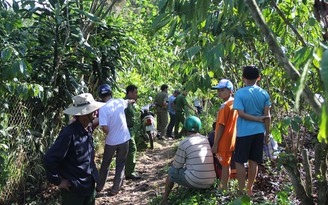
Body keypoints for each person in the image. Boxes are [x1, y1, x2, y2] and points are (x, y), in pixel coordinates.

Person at [43, 93, 105, 205]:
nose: (96, 112)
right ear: (83, 113)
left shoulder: (88, 128)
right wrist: (58, 181)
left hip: (89, 184)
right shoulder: (69, 133)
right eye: (92, 110)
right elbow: (49, 158)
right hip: (74, 189)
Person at [233, 65, 271, 196]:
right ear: (258, 78)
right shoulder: (264, 93)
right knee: (253, 161)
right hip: (259, 132)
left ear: (243, 78)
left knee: (239, 161)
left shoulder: (240, 93)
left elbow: (241, 114)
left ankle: (241, 190)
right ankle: (249, 189)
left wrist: (256, 119)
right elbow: (267, 116)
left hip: (244, 132)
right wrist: (268, 132)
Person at [161, 116, 216, 205]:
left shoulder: (184, 142)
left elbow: (177, 166)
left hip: (196, 180)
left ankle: (164, 200)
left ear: (185, 128)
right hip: (211, 181)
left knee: (171, 171)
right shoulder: (205, 139)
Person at [96, 84, 135, 196]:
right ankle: (115, 189)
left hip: (111, 142)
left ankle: (99, 187)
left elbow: (105, 129)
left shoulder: (103, 109)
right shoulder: (119, 101)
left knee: (105, 164)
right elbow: (128, 102)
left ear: (101, 95)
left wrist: (108, 132)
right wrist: (132, 101)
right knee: (120, 164)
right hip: (124, 139)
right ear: (110, 93)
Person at [211, 79, 238, 190]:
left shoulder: (225, 106)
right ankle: (225, 185)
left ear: (230, 91)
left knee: (225, 165)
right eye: (218, 91)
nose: (219, 93)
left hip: (224, 140)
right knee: (227, 163)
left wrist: (215, 143)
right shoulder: (235, 103)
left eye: (222, 90)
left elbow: (221, 125)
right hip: (231, 139)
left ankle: (224, 187)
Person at [124, 84, 141, 180]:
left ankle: (128, 170)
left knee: (130, 150)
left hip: (130, 129)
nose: (136, 95)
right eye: (135, 93)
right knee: (132, 150)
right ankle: (130, 173)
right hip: (126, 130)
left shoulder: (130, 103)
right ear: (129, 93)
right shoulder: (125, 103)